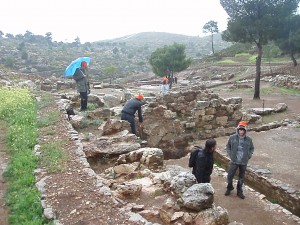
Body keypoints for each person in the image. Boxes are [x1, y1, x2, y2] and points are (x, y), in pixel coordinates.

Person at [225, 121, 254, 199]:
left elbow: (251, 148)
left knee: (241, 177)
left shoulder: (249, 139)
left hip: (243, 161)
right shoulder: (232, 137)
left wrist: (249, 156)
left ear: (245, 130)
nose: (241, 131)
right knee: (230, 176)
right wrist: (230, 154)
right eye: (240, 130)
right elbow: (228, 147)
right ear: (237, 130)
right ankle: (229, 187)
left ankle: (239, 191)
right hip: (234, 160)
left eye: (242, 130)